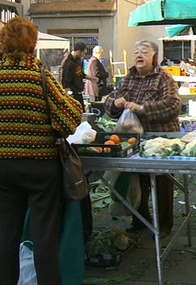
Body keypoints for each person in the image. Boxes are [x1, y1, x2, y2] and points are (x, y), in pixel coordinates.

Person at [0, 17, 83, 285]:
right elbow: (69, 121)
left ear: (4, 44)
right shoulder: (42, 78)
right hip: (41, 167)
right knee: (44, 236)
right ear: (33, 44)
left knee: (6, 237)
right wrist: (68, 105)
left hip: (1, 168)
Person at [105, 40, 181, 237]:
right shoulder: (128, 78)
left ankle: (164, 225)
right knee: (137, 180)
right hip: (133, 140)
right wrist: (116, 103)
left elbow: (173, 105)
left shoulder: (164, 78)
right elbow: (109, 102)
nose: (139, 55)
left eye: (144, 52)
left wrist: (142, 108)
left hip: (161, 138)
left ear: (153, 57)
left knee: (162, 181)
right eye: (136, 51)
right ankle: (140, 220)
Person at [60, 41, 88, 111]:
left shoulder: (78, 60)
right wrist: (69, 93)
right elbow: (65, 80)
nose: (83, 55)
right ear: (79, 51)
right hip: (72, 93)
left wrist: (89, 77)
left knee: (82, 112)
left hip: (78, 91)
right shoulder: (68, 62)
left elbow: (81, 73)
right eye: (83, 53)